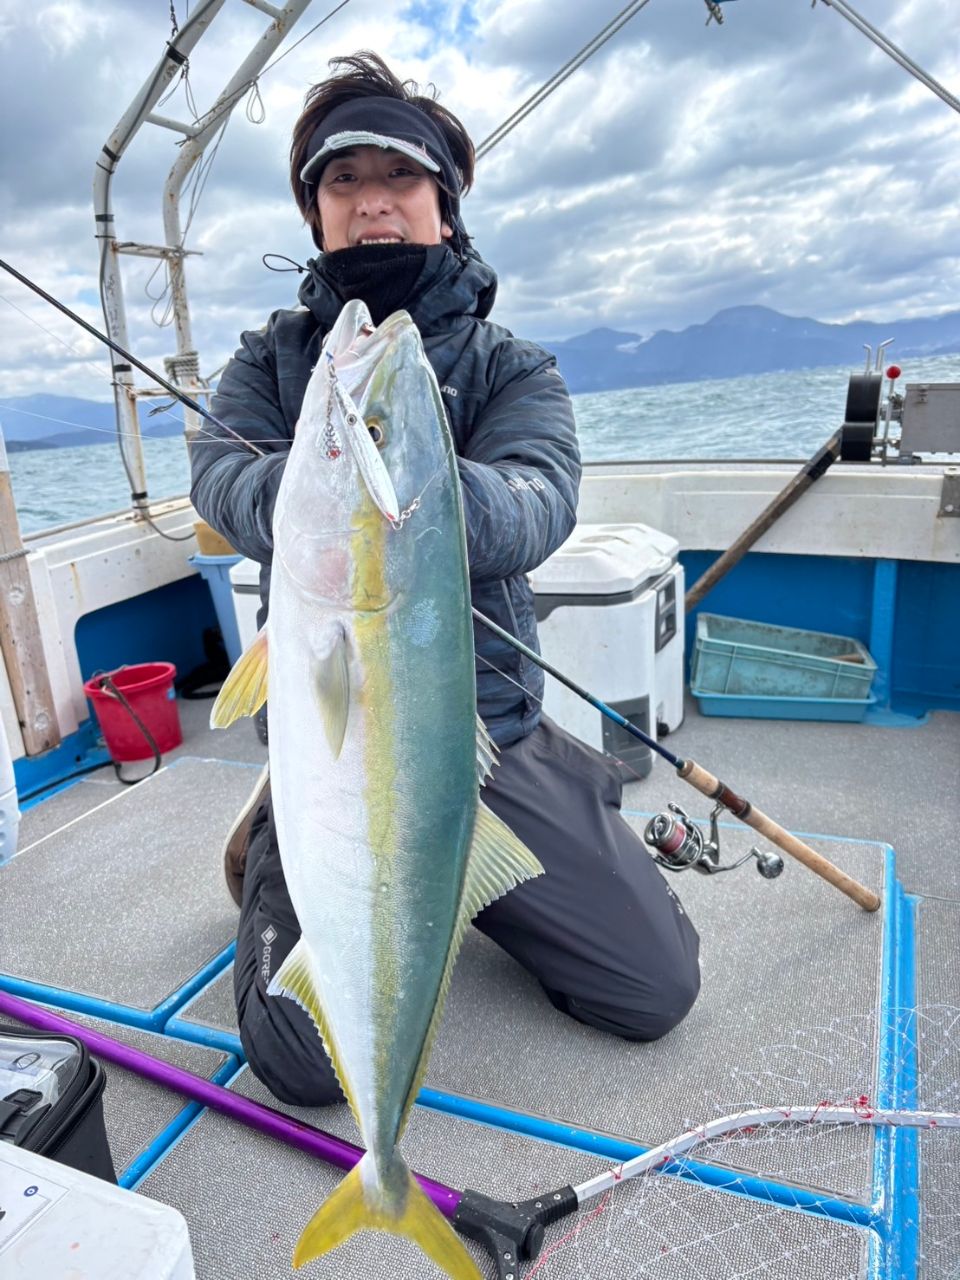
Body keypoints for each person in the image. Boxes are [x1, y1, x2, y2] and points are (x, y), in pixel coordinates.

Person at [190, 51, 700, 1108]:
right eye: (342, 181)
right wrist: (329, 476)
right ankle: (285, 831)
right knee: (301, 1061)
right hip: (335, 729)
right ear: (315, 209)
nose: (371, 199)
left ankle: (548, 826)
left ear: (444, 204)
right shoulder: (272, 360)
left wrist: (404, 477)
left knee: (655, 988)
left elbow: (538, 504)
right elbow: (222, 479)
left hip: (489, 735)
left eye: (399, 177)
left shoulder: (517, 368)